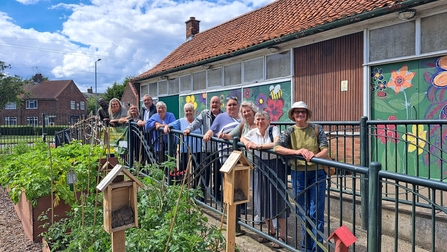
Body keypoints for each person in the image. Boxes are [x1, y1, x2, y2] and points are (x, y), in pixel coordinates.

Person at [273, 101, 328, 252]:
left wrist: (313, 156)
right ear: (292, 115)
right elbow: (277, 147)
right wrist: (297, 152)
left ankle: (319, 248)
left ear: (307, 114)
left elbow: (325, 150)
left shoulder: (316, 128)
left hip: (317, 173)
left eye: (303, 112)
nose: (300, 114)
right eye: (297, 112)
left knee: (316, 212)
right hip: (298, 174)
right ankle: (307, 247)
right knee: (303, 212)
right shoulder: (289, 131)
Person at [240, 111, 288, 249]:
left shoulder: (274, 129)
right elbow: (242, 138)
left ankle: (282, 235)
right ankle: (271, 231)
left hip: (275, 166)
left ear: (268, 120)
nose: (260, 122)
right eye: (258, 119)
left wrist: (258, 146)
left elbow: (276, 143)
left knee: (278, 199)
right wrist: (247, 142)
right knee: (262, 199)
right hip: (261, 166)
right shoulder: (253, 132)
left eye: (263, 119)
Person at [183, 96, 223, 201]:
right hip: (207, 148)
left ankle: (217, 194)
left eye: (216, 102)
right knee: (205, 172)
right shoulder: (205, 114)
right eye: (212, 102)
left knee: (218, 173)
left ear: (220, 104)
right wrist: (188, 129)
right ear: (210, 104)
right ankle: (202, 194)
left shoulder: (223, 115)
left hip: (219, 150)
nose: (214, 104)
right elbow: (196, 122)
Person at [203, 96, 240, 201]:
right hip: (227, 155)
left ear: (238, 106)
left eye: (234, 105)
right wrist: (207, 135)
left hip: (242, 154)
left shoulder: (243, 117)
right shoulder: (221, 117)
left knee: (240, 179)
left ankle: (240, 204)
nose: (232, 107)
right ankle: (229, 203)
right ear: (226, 107)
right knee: (229, 179)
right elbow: (212, 130)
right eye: (229, 105)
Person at [164, 103, 201, 177]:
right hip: (185, 149)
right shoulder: (181, 121)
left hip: (197, 149)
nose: (188, 112)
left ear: (193, 111)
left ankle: (196, 186)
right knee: (183, 170)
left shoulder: (198, 121)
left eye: (190, 110)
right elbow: (171, 125)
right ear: (184, 112)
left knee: (197, 169)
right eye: (186, 111)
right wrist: (166, 126)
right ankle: (183, 185)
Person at [137, 95, 157, 164]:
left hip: (152, 133)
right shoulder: (142, 110)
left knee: (151, 152)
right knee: (143, 151)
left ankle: (152, 168)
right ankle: (144, 169)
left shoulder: (155, 109)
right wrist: (139, 121)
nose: (146, 102)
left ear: (152, 101)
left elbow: (156, 119)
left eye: (148, 100)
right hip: (144, 133)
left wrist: (146, 122)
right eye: (145, 100)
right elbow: (139, 118)